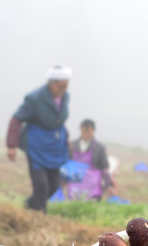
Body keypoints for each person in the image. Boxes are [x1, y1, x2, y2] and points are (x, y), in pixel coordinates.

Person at [6, 66, 71, 212]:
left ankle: (31, 204)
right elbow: (16, 119)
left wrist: (67, 138)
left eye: (66, 86)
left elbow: (59, 120)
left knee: (54, 185)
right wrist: (12, 145)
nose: (63, 90)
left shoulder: (65, 97)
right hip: (36, 145)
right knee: (41, 186)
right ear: (51, 83)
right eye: (61, 86)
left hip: (55, 146)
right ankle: (40, 216)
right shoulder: (35, 98)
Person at [66, 119, 117, 200]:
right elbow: (67, 164)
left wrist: (108, 185)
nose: (85, 134)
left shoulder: (99, 147)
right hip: (75, 184)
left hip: (92, 186)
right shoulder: (72, 145)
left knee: (91, 206)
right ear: (81, 130)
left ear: (93, 131)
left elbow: (104, 168)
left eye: (88, 131)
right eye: (84, 131)